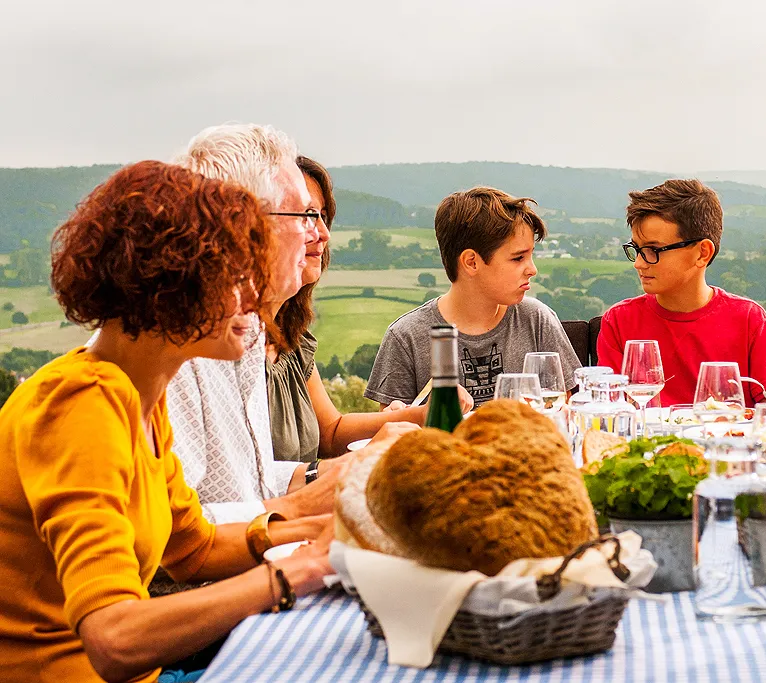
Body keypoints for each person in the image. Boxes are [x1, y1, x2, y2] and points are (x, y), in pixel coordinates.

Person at [0, 161, 334, 682]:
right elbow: (113, 637)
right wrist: (297, 571)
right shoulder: (82, 402)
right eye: (236, 275)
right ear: (170, 286)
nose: (255, 299)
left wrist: (328, 530)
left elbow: (193, 549)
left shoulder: (141, 396)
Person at [166, 123, 345, 524]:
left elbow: (251, 483)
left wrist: (327, 474)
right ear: (245, 224)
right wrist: (301, 513)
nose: (319, 234)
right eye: (304, 215)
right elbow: (172, 535)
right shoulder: (171, 351)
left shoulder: (248, 327)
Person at [265, 156, 465, 462]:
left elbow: (329, 433)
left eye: (322, 216)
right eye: (306, 216)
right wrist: (358, 461)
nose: (323, 233)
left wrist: (418, 416)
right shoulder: (230, 346)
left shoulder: (290, 336)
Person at [366, 187, 581, 407]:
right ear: (471, 262)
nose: (532, 269)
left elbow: (567, 410)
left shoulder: (536, 319)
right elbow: (391, 429)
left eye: (530, 255)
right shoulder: (406, 337)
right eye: (518, 258)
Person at [596, 179, 766, 406]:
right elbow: (608, 409)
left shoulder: (749, 320)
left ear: (702, 253)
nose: (639, 263)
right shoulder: (620, 321)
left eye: (653, 250)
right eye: (637, 249)